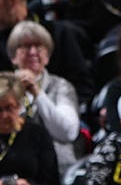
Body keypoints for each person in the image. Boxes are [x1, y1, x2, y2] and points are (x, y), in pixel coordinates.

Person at [7, 20, 82, 175]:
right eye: (26, 46)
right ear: (13, 56)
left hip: (58, 167)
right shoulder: (2, 86)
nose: (33, 52)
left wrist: (37, 92)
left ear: (47, 56)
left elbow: (67, 132)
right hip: (13, 165)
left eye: (39, 47)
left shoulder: (62, 86)